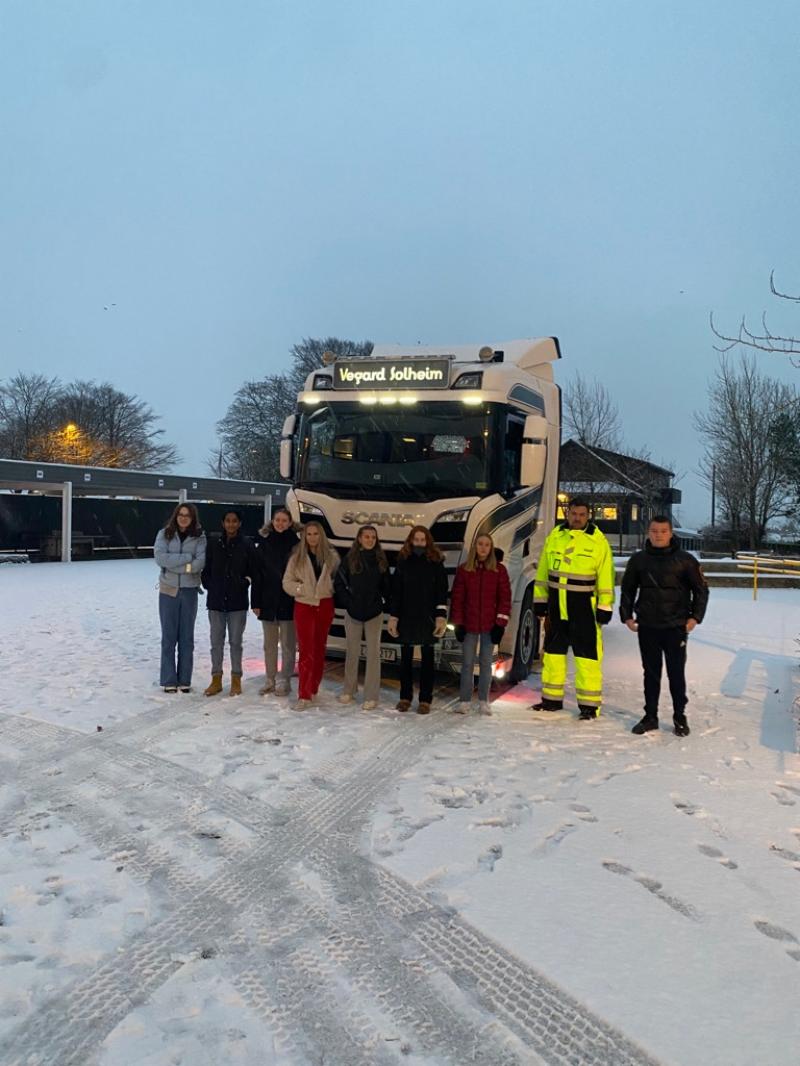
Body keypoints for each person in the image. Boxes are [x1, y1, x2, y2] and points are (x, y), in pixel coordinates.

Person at [620, 515, 709, 737]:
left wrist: (695, 618)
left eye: (663, 531)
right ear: (648, 533)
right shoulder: (639, 560)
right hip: (648, 626)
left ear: (671, 533)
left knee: (676, 674)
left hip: (675, 626)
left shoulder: (686, 560)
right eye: (654, 531)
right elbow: (628, 589)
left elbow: (701, 590)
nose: (658, 535)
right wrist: (627, 616)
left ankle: (680, 717)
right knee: (650, 674)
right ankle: (650, 716)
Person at [531, 498, 615, 720]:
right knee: (552, 654)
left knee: (587, 658)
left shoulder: (598, 542)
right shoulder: (554, 538)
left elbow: (606, 576)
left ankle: (588, 706)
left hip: (584, 607)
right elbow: (542, 573)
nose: (577, 518)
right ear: (567, 514)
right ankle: (551, 700)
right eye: (574, 514)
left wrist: (604, 606)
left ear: (588, 516)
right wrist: (540, 601)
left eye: (582, 514)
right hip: (557, 606)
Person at [387, 525, 448, 715]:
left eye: (423, 540)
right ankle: (405, 697)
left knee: (427, 661)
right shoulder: (403, 561)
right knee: (405, 660)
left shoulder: (436, 562)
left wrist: (440, 616)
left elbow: (441, 591)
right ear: (411, 541)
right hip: (406, 617)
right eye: (417, 539)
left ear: (428, 541)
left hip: (428, 617)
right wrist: (394, 617)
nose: (420, 543)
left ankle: (425, 700)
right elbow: (396, 592)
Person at [450, 533, 511, 716]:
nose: (483, 548)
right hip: (469, 625)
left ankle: (484, 700)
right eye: (480, 544)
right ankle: (464, 700)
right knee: (467, 663)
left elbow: (505, 599)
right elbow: (458, 598)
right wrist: (458, 623)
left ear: (491, 548)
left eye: (486, 545)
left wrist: (500, 624)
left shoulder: (499, 571)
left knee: (486, 664)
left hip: (489, 626)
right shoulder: (464, 570)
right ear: (475, 547)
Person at [282, 521, 340, 709]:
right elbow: (286, 582)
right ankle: (304, 694)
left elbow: (339, 580)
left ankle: (314, 687)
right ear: (304, 536)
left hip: (324, 605)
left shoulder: (331, 557)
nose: (312, 537)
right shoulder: (297, 558)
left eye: (316, 534)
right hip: (304, 605)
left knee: (319, 648)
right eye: (309, 534)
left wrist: (328, 589)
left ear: (321, 535)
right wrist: (301, 588)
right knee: (306, 650)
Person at [201, 509, 258, 697]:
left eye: (234, 521)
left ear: (239, 523)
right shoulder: (213, 544)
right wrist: (209, 584)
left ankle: (236, 679)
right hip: (216, 601)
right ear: (223, 523)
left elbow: (254, 570)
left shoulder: (247, 544)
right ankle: (216, 679)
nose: (231, 524)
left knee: (235, 642)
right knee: (216, 643)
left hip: (237, 602)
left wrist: (244, 583)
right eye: (228, 521)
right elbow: (206, 568)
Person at [334, 524, 391, 710]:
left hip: (374, 613)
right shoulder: (350, 559)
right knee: (352, 652)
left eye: (373, 537)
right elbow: (340, 584)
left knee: (374, 654)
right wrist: (348, 603)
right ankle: (349, 690)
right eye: (366, 536)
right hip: (353, 613)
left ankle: (371, 695)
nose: (370, 540)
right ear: (359, 538)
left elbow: (387, 587)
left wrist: (382, 602)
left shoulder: (381, 561)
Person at [154, 502, 207, 693]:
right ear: (175, 516)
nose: (183, 518)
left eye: (188, 515)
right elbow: (161, 558)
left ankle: (184, 679)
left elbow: (200, 562)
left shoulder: (199, 536)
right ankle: (169, 680)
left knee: (186, 638)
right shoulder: (164, 534)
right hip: (168, 590)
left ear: (193, 518)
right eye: (180, 514)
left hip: (190, 590)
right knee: (168, 637)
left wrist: (176, 565)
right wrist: (186, 559)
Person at [251, 508, 299, 696]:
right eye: (277, 520)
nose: (280, 523)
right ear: (272, 521)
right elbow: (257, 574)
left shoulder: (296, 544)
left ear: (289, 523)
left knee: (288, 644)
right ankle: (270, 678)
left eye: (284, 520)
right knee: (269, 644)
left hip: (289, 600)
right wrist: (255, 601)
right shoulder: (263, 543)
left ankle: (284, 680)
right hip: (267, 600)